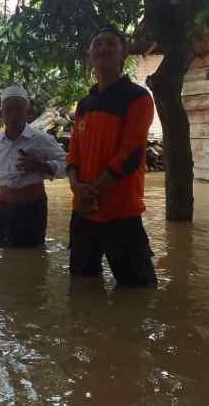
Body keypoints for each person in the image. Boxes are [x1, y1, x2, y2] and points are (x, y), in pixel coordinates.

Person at [66, 26, 157, 287]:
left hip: (122, 212)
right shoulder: (84, 104)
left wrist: (92, 190)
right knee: (82, 285)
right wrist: (75, 185)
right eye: (97, 44)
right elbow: (73, 152)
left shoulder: (137, 98)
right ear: (89, 54)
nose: (102, 48)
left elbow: (130, 154)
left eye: (110, 43)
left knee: (138, 291)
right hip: (83, 211)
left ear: (123, 55)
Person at [0, 86, 65, 248]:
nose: (13, 115)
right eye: (8, 110)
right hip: (3, 212)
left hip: (31, 212)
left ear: (27, 113)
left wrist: (40, 166)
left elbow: (68, 164)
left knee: (28, 256)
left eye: (18, 109)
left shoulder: (40, 139)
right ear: (2, 113)